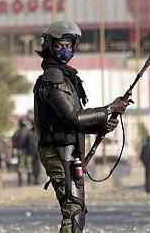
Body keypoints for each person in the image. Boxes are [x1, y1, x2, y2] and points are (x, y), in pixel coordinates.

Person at [33, 20, 131, 233]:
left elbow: (72, 122)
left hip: (69, 149)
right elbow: (73, 118)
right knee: (73, 208)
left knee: (77, 209)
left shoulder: (66, 77)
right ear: (49, 46)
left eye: (69, 45)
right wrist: (108, 108)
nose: (65, 50)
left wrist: (102, 125)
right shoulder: (53, 78)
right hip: (58, 151)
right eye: (60, 45)